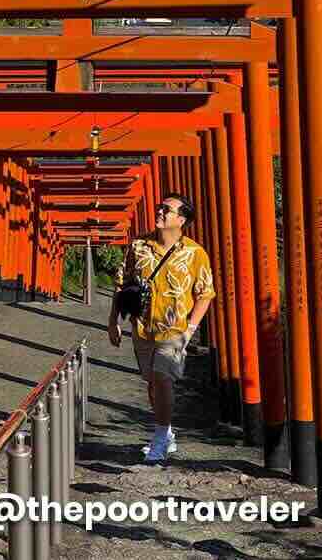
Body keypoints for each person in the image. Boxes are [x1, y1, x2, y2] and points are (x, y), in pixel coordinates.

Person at [107, 193, 215, 463]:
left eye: (166, 209)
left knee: (162, 377)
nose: (160, 212)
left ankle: (159, 438)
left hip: (175, 330)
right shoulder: (138, 246)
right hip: (142, 327)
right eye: (160, 207)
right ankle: (165, 434)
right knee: (153, 382)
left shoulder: (195, 254)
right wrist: (113, 321)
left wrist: (190, 330)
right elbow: (121, 284)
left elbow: (205, 294)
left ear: (182, 220)